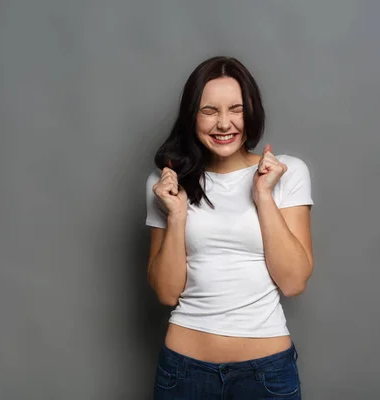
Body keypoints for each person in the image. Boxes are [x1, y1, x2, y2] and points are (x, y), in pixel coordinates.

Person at [145, 56, 314, 399]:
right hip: (183, 371)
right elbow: (166, 292)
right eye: (209, 111)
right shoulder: (166, 183)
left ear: (251, 112)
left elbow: (294, 282)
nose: (224, 124)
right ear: (192, 115)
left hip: (266, 373)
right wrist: (177, 215)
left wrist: (263, 195)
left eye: (235, 109)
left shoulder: (287, 172)